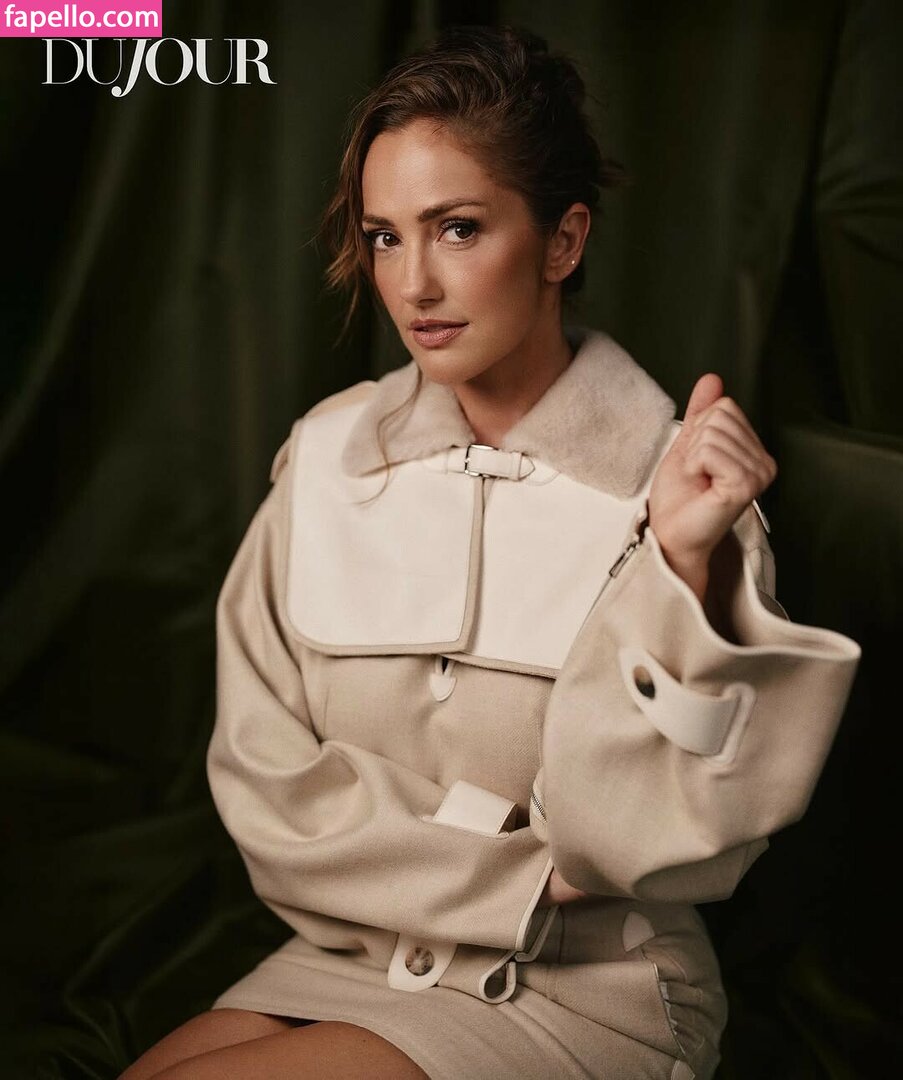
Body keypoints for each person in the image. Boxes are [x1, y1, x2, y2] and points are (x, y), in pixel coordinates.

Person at [119, 24, 861, 1080]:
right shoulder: (325, 459)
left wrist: (680, 564)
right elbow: (265, 785)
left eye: (458, 229)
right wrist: (522, 863)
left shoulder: (684, 491)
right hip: (350, 954)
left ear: (562, 242)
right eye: (384, 237)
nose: (413, 283)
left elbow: (660, 843)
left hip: (593, 984)